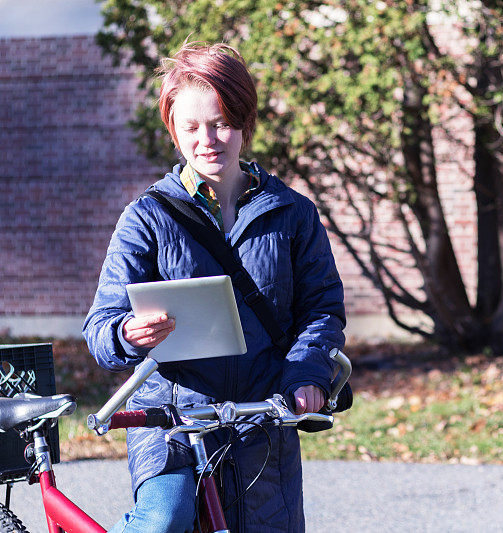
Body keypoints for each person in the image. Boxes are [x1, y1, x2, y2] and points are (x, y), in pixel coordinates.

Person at [83, 42, 346, 532]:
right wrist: (127, 333)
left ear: (245, 122)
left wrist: (307, 374)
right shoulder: (147, 217)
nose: (208, 139)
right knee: (164, 518)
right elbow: (100, 327)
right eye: (191, 127)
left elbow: (321, 311)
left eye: (222, 121)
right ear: (174, 130)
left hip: (262, 419)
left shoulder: (293, 213)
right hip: (172, 423)